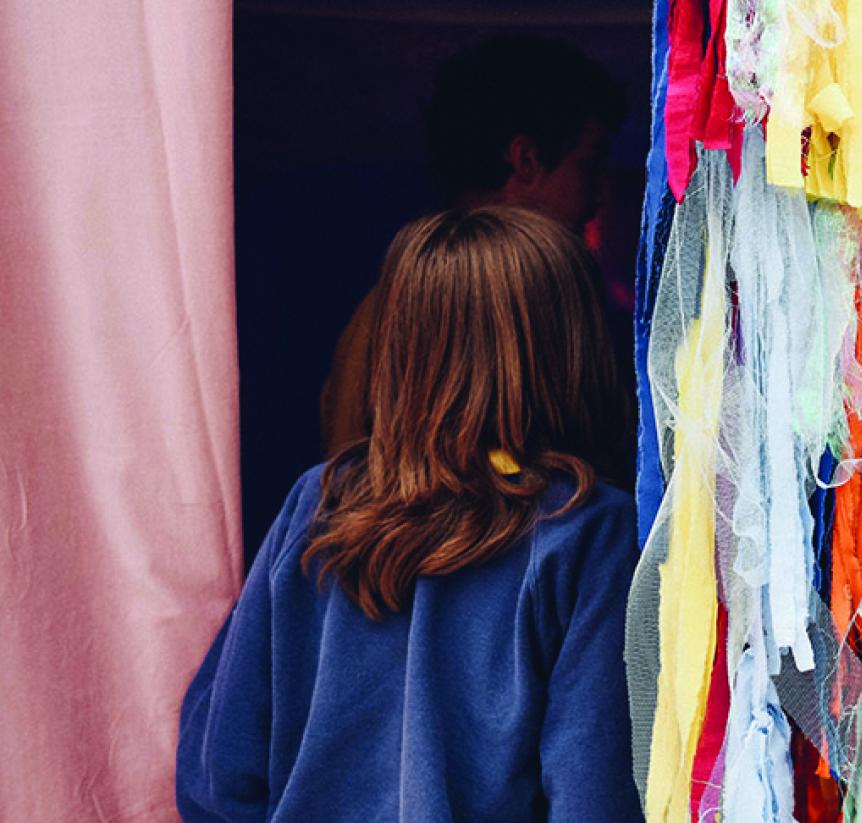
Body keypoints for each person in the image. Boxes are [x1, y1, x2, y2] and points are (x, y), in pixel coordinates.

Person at [178, 207, 642, 821]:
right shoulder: (588, 529)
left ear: (399, 348)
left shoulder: (318, 503)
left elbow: (217, 779)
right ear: (573, 348)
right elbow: (592, 797)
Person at [320, 33, 627, 458]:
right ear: (526, 160)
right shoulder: (394, 309)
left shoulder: (387, 306)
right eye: (589, 165)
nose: (600, 194)